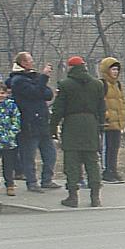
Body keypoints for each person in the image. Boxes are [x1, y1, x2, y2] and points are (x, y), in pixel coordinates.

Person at [51, 56, 105, 208]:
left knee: (72, 163)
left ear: (70, 68)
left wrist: (53, 128)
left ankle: (73, 197)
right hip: (91, 125)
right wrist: (100, 126)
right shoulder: (97, 84)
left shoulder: (65, 85)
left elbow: (58, 109)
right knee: (92, 162)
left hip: (72, 125)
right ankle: (95, 197)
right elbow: (102, 107)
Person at [6, 52, 57, 190]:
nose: (32, 62)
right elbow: (35, 92)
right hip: (28, 122)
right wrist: (44, 77)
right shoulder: (18, 80)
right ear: (23, 62)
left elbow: (47, 94)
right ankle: (32, 182)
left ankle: (47, 179)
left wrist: (41, 84)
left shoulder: (34, 77)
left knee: (50, 153)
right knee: (29, 155)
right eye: (30, 60)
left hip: (42, 121)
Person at [97, 57, 125, 183]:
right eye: (112, 69)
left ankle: (113, 169)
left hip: (117, 122)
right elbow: (99, 102)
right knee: (106, 148)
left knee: (114, 148)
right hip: (107, 122)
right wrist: (105, 115)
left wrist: (123, 115)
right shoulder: (102, 84)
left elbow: (122, 102)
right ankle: (106, 171)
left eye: (116, 69)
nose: (115, 72)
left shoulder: (118, 85)